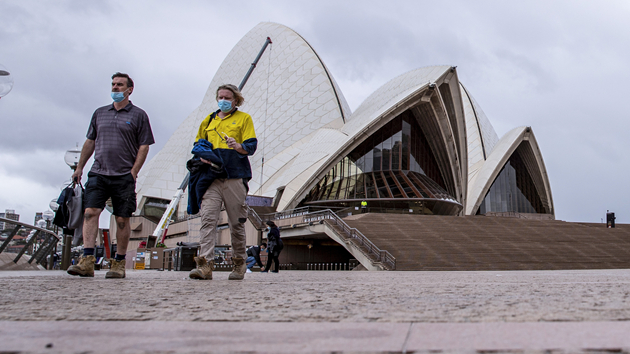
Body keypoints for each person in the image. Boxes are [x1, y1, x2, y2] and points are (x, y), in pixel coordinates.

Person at [67, 72, 154, 279]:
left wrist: (134, 172)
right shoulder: (100, 113)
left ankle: (118, 263)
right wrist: (80, 167)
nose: (115, 88)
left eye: (120, 85)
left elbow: (144, 146)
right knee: (90, 213)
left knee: (122, 219)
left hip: (123, 175)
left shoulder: (138, 115)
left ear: (129, 89)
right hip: (99, 172)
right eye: (113, 84)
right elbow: (90, 141)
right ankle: (87, 261)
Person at [188, 84, 257, 280]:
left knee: (236, 223)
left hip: (235, 176)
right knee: (208, 219)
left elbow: (251, 147)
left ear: (236, 100)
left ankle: (239, 264)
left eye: (227, 98)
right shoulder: (208, 120)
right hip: (212, 177)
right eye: (220, 97)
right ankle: (205, 265)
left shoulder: (244, 119)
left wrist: (238, 146)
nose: (223, 101)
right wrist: (202, 156)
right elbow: (197, 145)